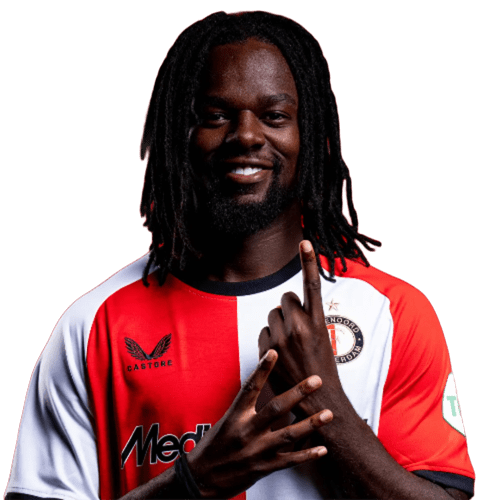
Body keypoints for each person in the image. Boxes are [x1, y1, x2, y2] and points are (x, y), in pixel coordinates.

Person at [4, 10, 475, 500]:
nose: (246, 135)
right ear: (179, 134)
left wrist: (327, 406)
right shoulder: (93, 325)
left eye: (274, 116)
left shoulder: (391, 313)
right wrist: (194, 481)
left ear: (310, 135)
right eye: (216, 116)